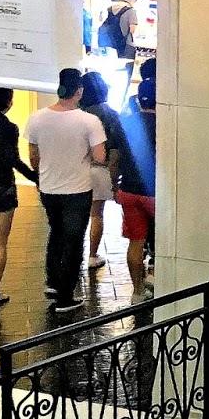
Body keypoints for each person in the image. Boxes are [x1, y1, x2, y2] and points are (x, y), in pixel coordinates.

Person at [26, 69, 107, 313]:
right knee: (73, 241)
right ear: (79, 91)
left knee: (56, 233)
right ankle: (65, 298)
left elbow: (33, 157)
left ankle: (52, 282)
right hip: (78, 189)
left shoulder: (36, 118)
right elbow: (100, 157)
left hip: (49, 187)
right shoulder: (89, 121)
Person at [0, 87, 35, 306]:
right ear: (7, 102)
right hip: (2, 188)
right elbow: (14, 160)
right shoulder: (9, 128)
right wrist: (35, 177)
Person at [79, 71, 125, 271]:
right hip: (99, 169)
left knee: (75, 214)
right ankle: (92, 256)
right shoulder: (111, 115)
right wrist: (113, 181)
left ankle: (73, 254)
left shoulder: (75, 113)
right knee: (96, 214)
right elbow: (115, 150)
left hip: (75, 168)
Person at [115, 78, 157, 297]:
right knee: (162, 241)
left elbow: (114, 157)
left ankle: (137, 292)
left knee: (135, 242)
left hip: (129, 190)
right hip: (157, 194)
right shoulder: (167, 124)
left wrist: (114, 186)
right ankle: (155, 278)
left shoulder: (126, 124)